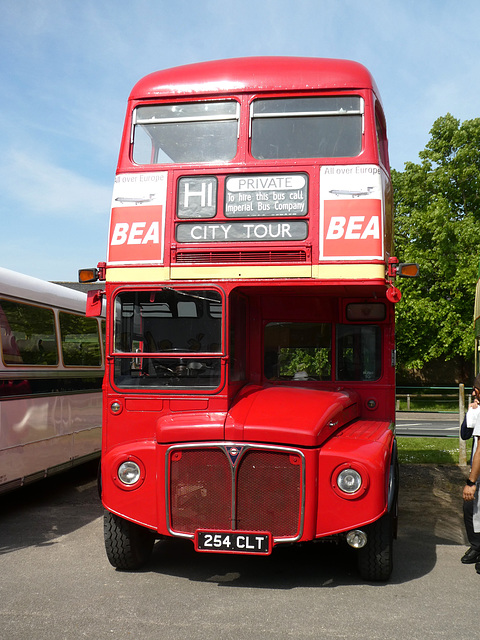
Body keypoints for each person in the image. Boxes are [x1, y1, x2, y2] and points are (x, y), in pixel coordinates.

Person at [461, 375, 480, 568]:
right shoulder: (477, 410)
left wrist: (471, 482)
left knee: (471, 505)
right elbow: (465, 434)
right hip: (477, 468)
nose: (473, 392)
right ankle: (475, 546)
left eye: (475, 388)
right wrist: (471, 413)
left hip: (477, 472)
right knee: (469, 508)